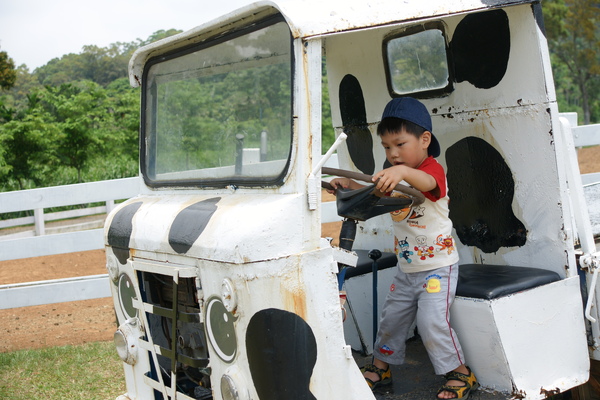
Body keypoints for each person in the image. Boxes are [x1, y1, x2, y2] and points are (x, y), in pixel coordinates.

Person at [328, 97, 478, 399]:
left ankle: (460, 372)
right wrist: (347, 183)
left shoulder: (430, 170)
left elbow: (423, 182)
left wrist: (401, 173)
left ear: (424, 140)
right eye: (386, 147)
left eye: (399, 144)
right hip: (407, 269)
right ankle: (380, 367)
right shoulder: (394, 172)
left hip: (438, 268)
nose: (393, 154)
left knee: (432, 320)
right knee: (391, 319)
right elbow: (371, 187)